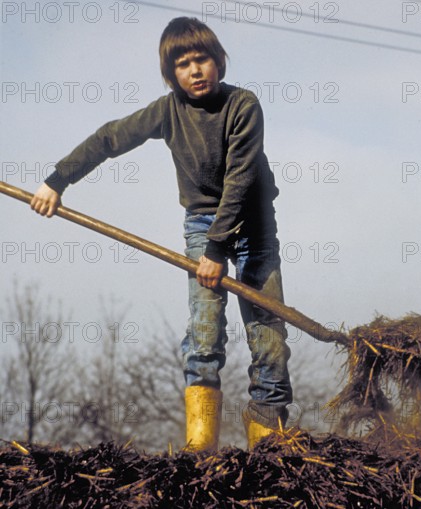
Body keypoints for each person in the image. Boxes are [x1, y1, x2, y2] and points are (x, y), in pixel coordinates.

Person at [30, 16, 292, 451]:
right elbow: (110, 138)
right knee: (204, 329)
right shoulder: (167, 111)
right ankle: (200, 445)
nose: (194, 70)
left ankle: (269, 446)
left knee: (268, 335)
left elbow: (240, 181)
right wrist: (57, 180)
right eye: (183, 63)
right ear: (171, 74)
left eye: (202, 59)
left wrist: (215, 249)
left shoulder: (243, 106)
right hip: (201, 223)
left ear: (219, 62)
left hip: (253, 226)